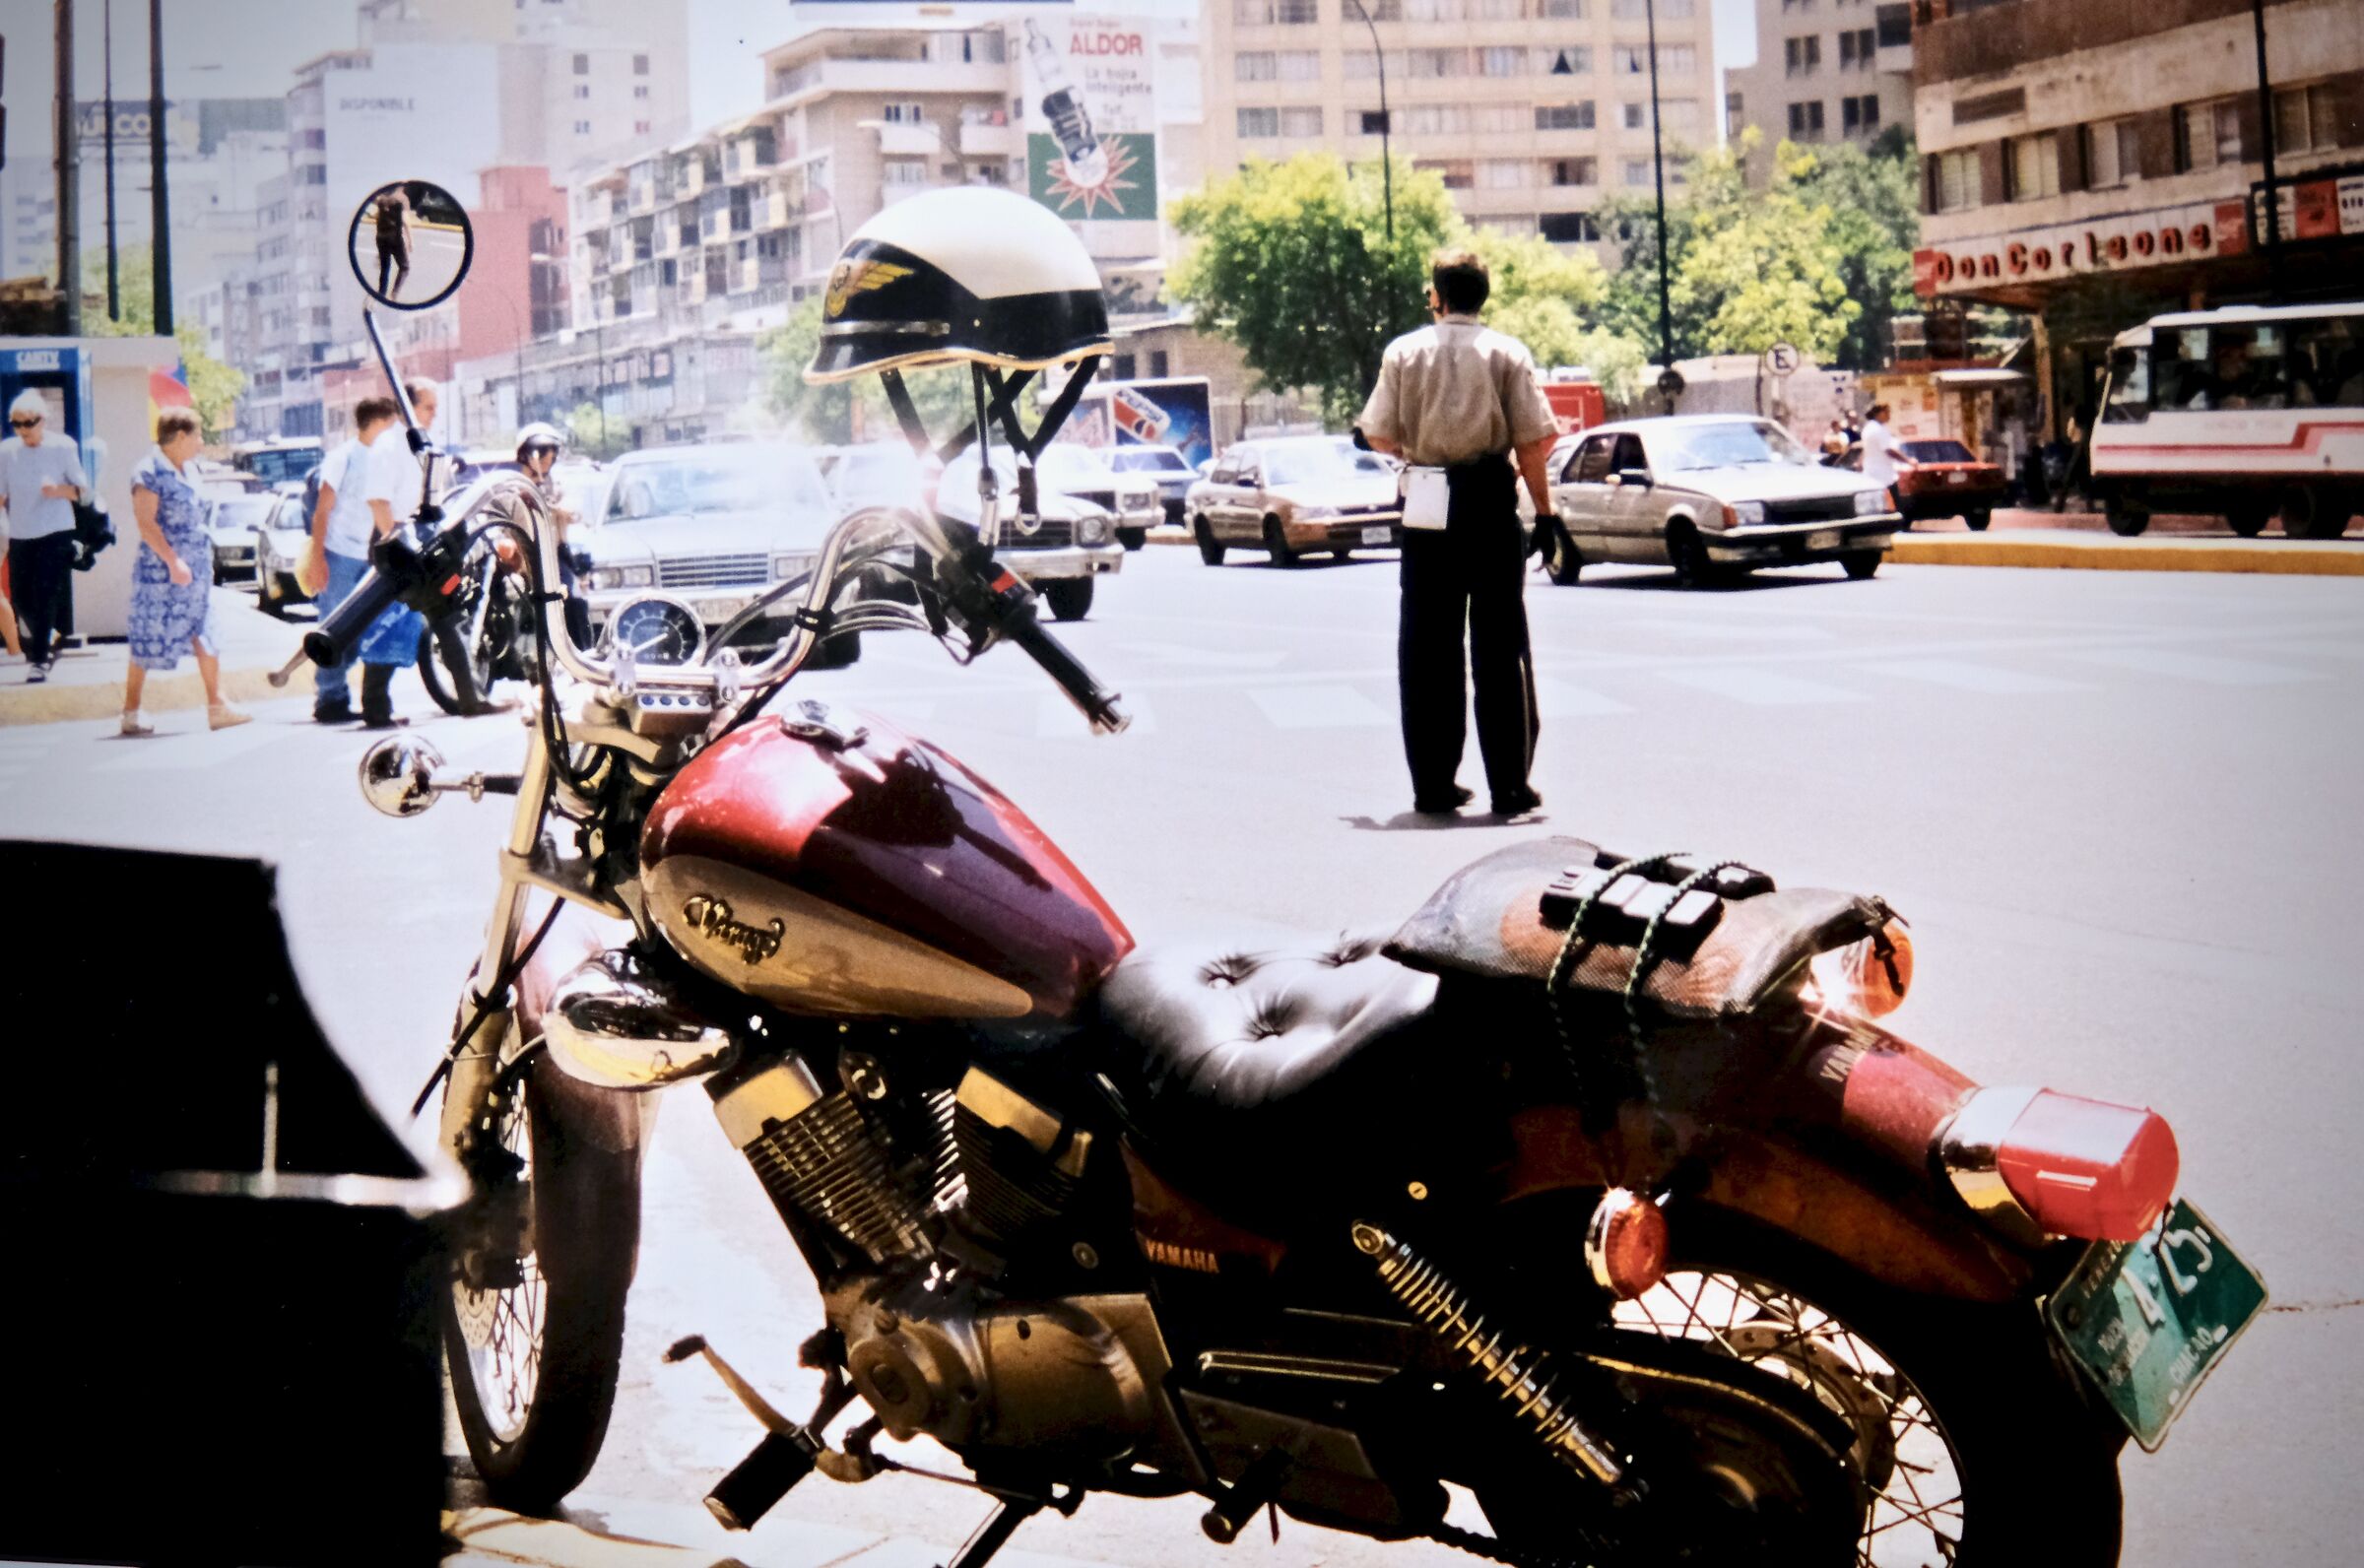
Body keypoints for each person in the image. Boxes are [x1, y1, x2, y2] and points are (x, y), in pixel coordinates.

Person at [1357, 247, 1559, 818]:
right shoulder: (1507, 352)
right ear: (1482, 296)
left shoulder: (1403, 352)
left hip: (1428, 502)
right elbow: (1535, 440)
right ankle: (1510, 784)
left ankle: (1434, 783)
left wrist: (1419, 449)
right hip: (1490, 500)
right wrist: (1544, 514)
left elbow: (1377, 433)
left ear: (1438, 297)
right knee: (1500, 645)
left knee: (1427, 647)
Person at [120, 408, 250, 736]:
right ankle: (131, 711)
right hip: (160, 575)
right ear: (180, 436)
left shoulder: (190, 469)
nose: (200, 442)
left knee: (205, 631)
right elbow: (146, 524)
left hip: (196, 574)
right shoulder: (148, 471)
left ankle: (217, 706)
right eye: (197, 436)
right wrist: (173, 561)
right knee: (148, 636)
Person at [299, 395, 400, 723]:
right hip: (339, 554)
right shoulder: (342, 457)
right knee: (333, 627)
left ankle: (336, 692)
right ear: (379, 422)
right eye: (392, 424)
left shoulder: (383, 459)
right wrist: (318, 559)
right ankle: (330, 698)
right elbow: (322, 511)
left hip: (368, 555)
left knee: (361, 629)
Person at [0, 388, 91, 683]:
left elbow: (82, 491)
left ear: (43, 420)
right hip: (21, 532)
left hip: (55, 531)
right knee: (20, 596)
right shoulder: (7, 451)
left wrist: (59, 490)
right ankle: (47, 635)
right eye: (17, 423)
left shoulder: (63, 446)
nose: (23, 429)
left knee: (46, 594)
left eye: (29, 422)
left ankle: (39, 659)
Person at [1858, 403, 1917, 496]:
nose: (1889, 415)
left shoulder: (1868, 428)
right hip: (1883, 477)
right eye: (1886, 412)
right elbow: (1889, 450)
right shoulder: (1878, 429)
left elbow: (1866, 449)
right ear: (1878, 414)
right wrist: (1908, 461)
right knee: (1893, 503)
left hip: (1873, 474)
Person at [373, 187, 414, 300]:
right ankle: (394, 295)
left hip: (381, 237)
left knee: (385, 267)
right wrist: (411, 241)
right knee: (404, 267)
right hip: (395, 237)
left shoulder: (381, 198)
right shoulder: (402, 198)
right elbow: (405, 220)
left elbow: (378, 218)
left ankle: (381, 293)